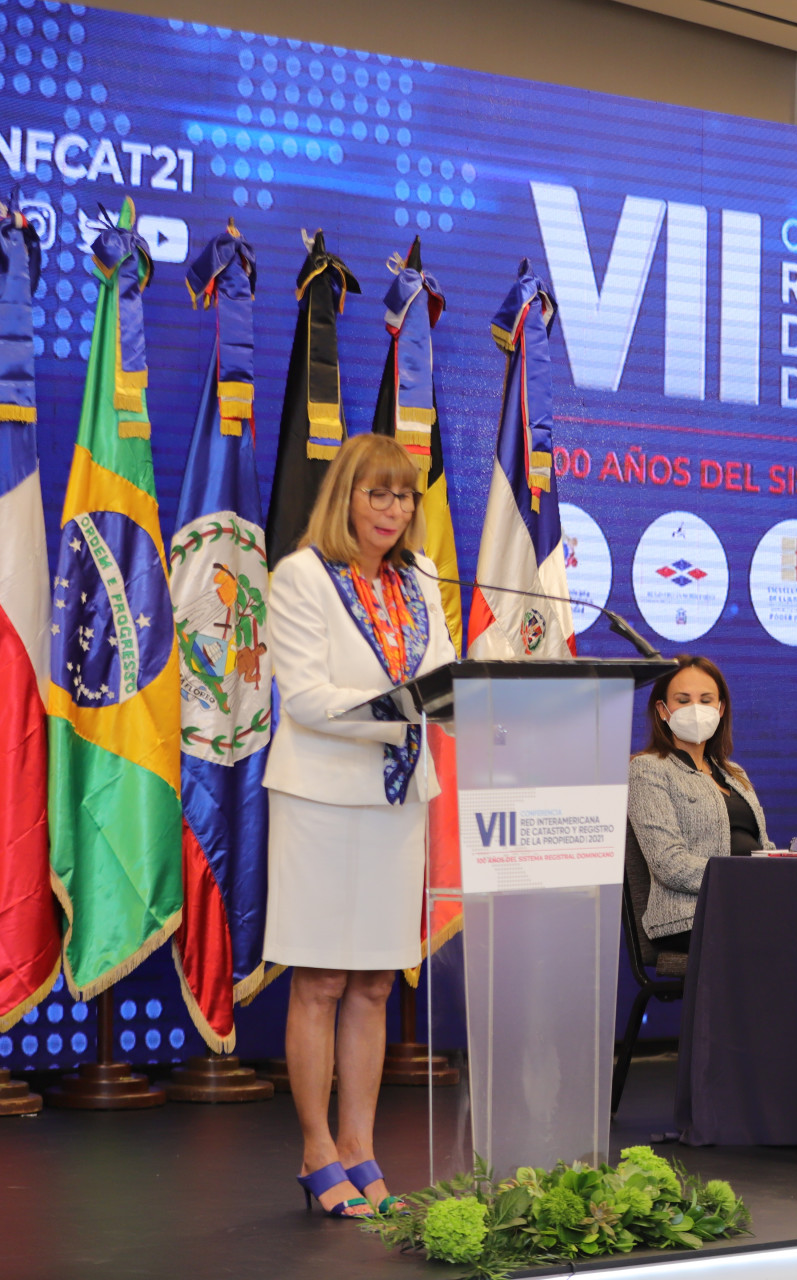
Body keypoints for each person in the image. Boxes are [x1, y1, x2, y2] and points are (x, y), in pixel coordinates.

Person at [262, 433, 457, 1219]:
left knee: (375, 983)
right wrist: (405, 712)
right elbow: (307, 698)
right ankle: (317, 1152)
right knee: (320, 981)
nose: (394, 509)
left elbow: (444, 674)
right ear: (345, 495)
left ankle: (360, 1147)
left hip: (397, 799)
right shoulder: (301, 576)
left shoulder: (420, 576)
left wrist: (454, 698)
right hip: (320, 799)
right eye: (378, 492)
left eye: (404, 495)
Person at [628, 655, 773, 953]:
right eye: (683, 700)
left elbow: (763, 847)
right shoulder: (648, 769)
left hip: (751, 904)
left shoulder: (735, 773)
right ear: (663, 710)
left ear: (720, 709)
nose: (696, 709)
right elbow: (668, 863)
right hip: (689, 917)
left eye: (706, 700)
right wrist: (740, 880)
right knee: (782, 939)